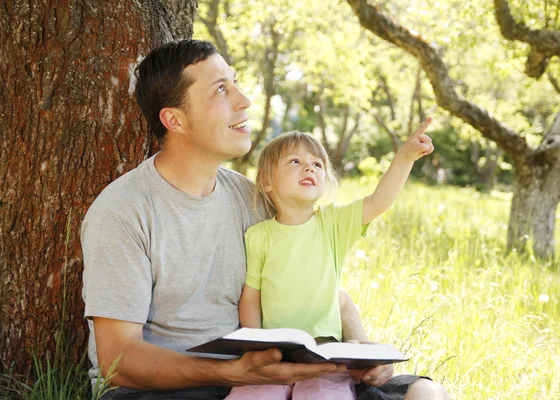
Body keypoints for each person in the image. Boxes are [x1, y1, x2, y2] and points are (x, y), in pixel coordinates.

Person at [81, 39, 449, 399]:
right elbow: (120, 359)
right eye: (222, 89)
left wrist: (360, 347)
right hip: (169, 388)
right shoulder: (123, 212)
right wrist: (230, 372)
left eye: (236, 83)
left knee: (425, 393)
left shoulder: (250, 198)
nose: (245, 101)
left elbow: (318, 284)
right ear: (174, 119)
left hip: (262, 379)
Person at [226, 124, 434, 400]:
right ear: (267, 182)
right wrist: (255, 348)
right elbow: (251, 297)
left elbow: (379, 201)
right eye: (295, 162)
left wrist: (405, 157)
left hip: (326, 357)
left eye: (317, 164)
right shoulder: (259, 236)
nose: (309, 168)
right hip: (275, 356)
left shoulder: (332, 224)